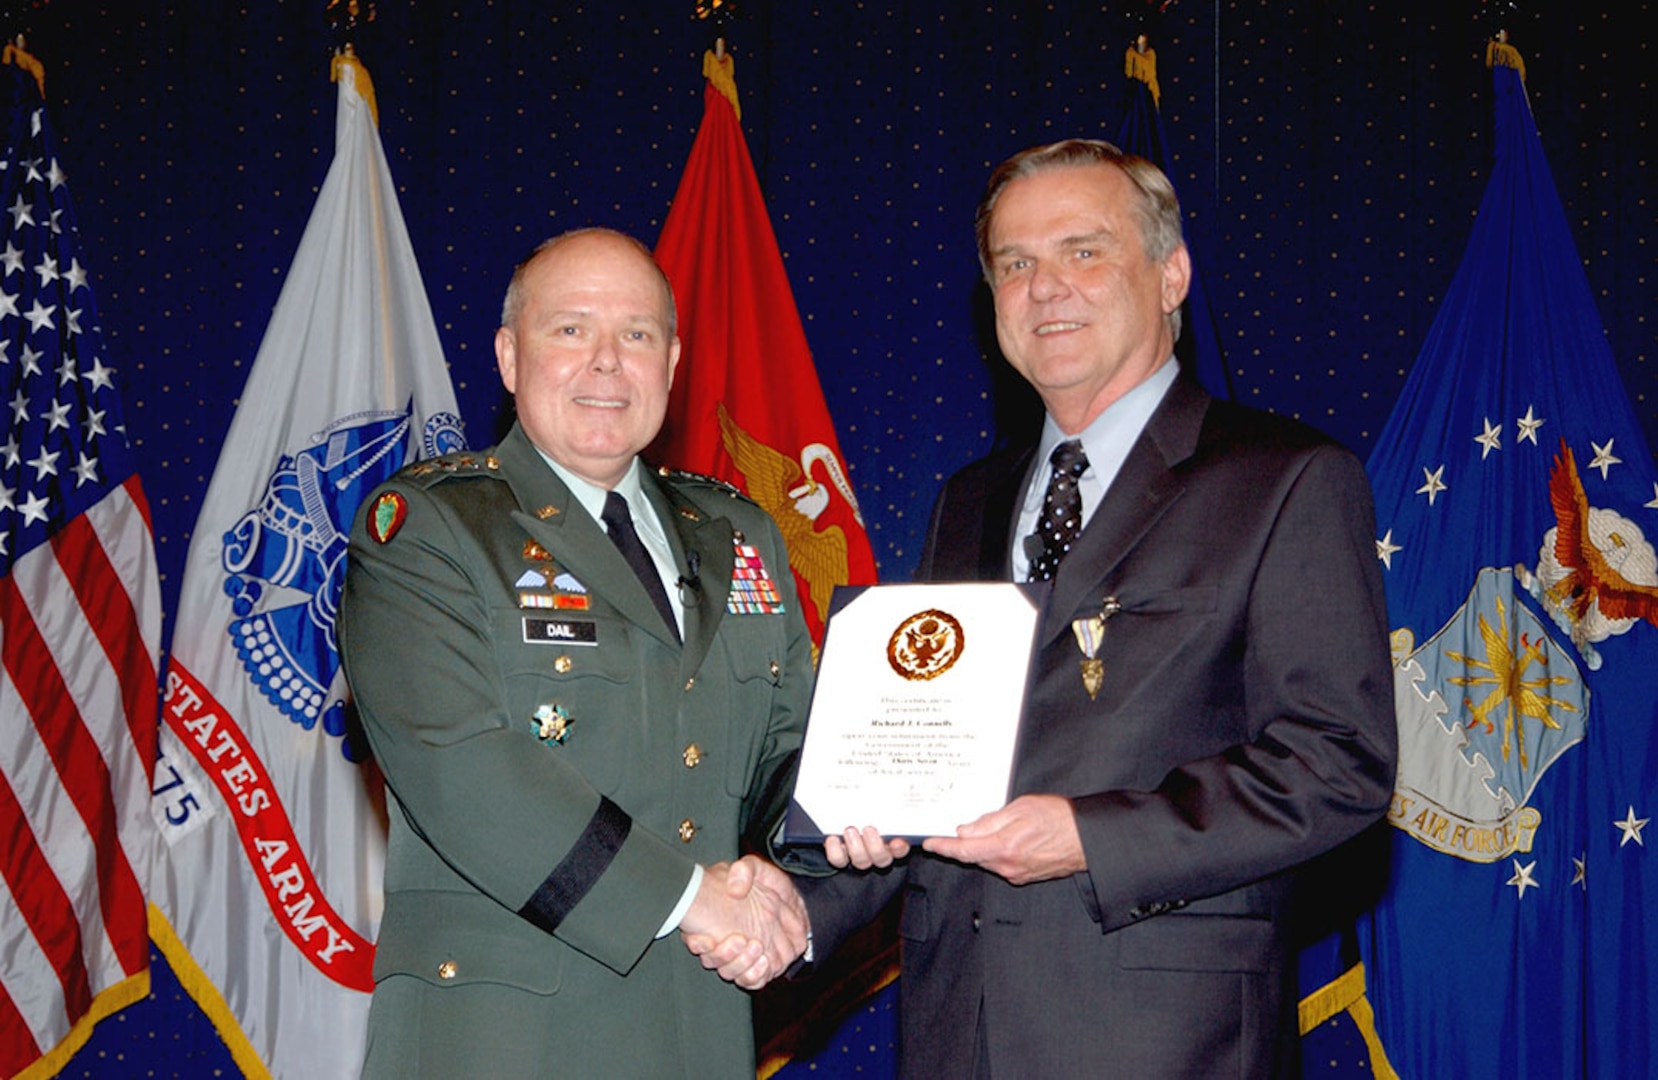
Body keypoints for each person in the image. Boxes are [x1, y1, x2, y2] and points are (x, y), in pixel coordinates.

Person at [696, 139, 1397, 1077]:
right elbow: (928, 776)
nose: (1045, 287)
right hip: (956, 1031)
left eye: (1084, 250)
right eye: (1015, 264)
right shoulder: (968, 501)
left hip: (1166, 1034)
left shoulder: (1287, 481)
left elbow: (1338, 762)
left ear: (1172, 274)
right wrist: (791, 910)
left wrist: (1089, 838)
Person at [338, 227, 815, 1078]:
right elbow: (464, 769)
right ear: (509, 357)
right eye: (570, 329)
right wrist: (695, 898)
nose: (606, 361)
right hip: (501, 1040)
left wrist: (795, 884)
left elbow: (792, 751)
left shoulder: (741, 533)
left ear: (672, 361)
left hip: (702, 1021)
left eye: (636, 333)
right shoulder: (429, 529)